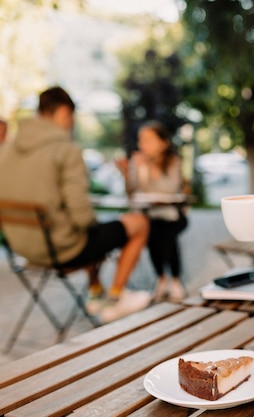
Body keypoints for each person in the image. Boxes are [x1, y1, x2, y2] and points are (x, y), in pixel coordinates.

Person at [0, 86, 151, 323]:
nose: (71, 124)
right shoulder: (66, 150)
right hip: (61, 249)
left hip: (23, 249)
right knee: (138, 223)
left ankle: (94, 294)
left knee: (94, 231)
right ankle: (115, 299)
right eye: (71, 117)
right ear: (62, 112)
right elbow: (82, 217)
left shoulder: (5, 151)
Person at [117, 120, 188, 302]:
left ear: (163, 143)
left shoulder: (173, 161)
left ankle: (175, 279)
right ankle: (162, 278)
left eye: (148, 140)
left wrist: (149, 167)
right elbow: (132, 192)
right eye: (141, 140)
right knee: (151, 233)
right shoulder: (137, 162)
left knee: (167, 233)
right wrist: (126, 174)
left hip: (173, 214)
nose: (143, 144)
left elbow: (170, 189)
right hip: (149, 214)